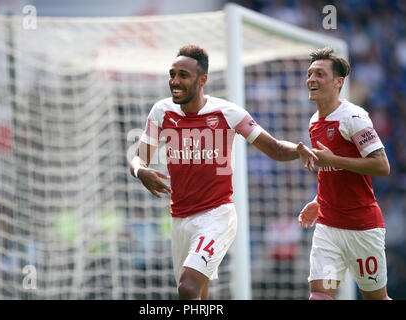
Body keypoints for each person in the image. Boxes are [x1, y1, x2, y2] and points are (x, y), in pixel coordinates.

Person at [130, 45, 316, 300]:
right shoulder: (162, 112)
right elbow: (139, 157)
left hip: (216, 216)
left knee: (187, 288)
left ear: (202, 80)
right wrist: (141, 172)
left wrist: (299, 149)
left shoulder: (227, 113)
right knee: (197, 295)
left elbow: (274, 149)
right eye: (172, 74)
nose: (174, 81)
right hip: (179, 219)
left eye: (183, 75)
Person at [298, 47, 391, 300]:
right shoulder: (314, 121)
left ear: (338, 82)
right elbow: (332, 171)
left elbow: (382, 166)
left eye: (319, 73)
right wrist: (318, 201)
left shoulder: (354, 116)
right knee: (319, 296)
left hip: (362, 227)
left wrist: (334, 158)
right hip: (328, 227)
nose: (311, 79)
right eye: (309, 74)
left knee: (375, 298)